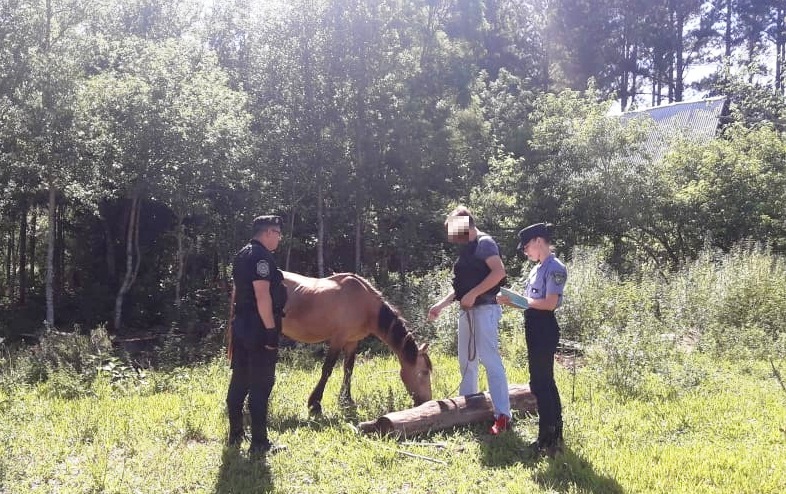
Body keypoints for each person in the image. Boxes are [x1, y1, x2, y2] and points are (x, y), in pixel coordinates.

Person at [428, 206, 511, 435]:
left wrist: (474, 294)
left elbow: (498, 273)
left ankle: (503, 416)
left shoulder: (486, 243)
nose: (454, 239)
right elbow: (462, 287)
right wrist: (440, 306)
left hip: (485, 309)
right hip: (467, 312)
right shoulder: (467, 249)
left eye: (455, 232)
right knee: (466, 362)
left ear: (465, 226)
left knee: (490, 360)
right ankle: (468, 408)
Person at [501, 222, 567, 457]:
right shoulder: (536, 269)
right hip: (533, 326)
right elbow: (531, 303)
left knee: (542, 384)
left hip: (544, 328)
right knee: (541, 382)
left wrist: (520, 301)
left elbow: (548, 304)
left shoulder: (554, 267)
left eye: (527, 246)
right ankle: (551, 437)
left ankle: (548, 440)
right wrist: (513, 300)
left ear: (539, 241)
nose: (525, 252)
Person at [226, 215, 288, 455]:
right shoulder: (261, 257)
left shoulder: (242, 254)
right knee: (261, 384)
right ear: (268, 232)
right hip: (258, 328)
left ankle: (235, 435)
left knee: (240, 381)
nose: (280, 238)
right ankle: (260, 443)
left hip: (241, 326)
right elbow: (262, 296)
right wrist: (271, 331)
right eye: (278, 233)